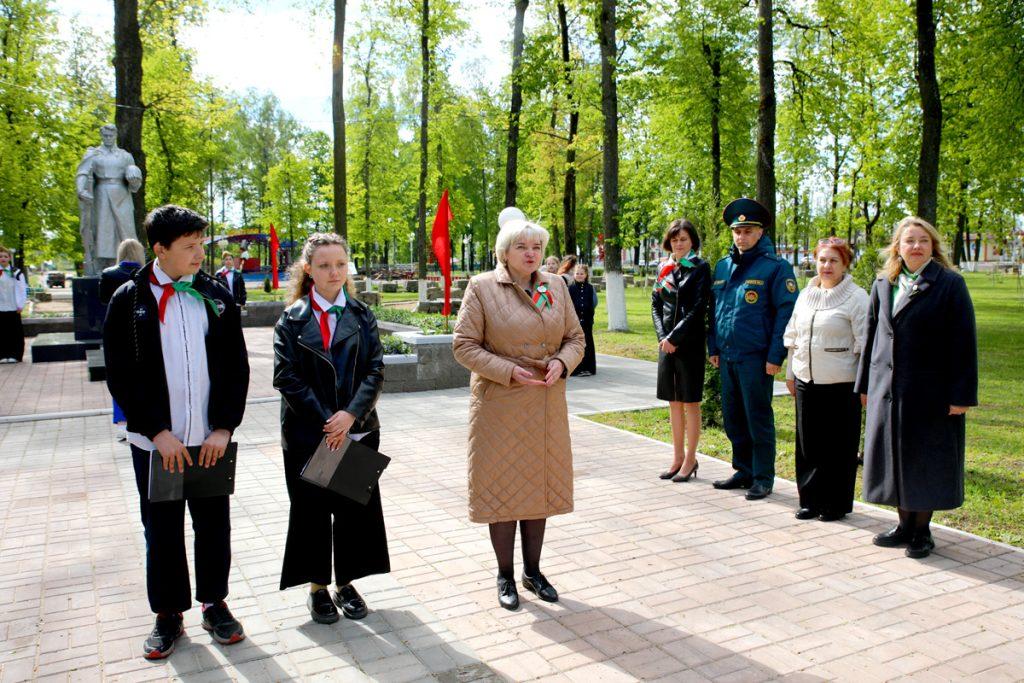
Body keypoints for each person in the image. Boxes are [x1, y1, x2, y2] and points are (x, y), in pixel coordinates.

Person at [103, 205, 250, 660]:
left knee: (213, 524)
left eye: (201, 244)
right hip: (159, 444)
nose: (199, 254)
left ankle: (215, 603)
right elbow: (121, 374)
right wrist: (156, 431)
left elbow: (235, 368)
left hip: (209, 441)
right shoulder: (129, 300)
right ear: (159, 249)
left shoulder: (216, 295)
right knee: (162, 528)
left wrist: (223, 427)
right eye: (189, 247)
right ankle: (168, 614)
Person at [453, 216, 585, 611]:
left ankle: (533, 570)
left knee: (538, 488)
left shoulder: (555, 285)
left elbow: (575, 338)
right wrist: (508, 370)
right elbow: (463, 346)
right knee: (502, 490)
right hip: (500, 405)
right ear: (504, 252)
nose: (531, 254)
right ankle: (505, 574)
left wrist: (564, 361)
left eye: (537, 248)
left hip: (544, 405)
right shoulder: (482, 288)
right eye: (521, 248)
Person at [273, 232, 389, 624]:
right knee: (312, 512)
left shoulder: (362, 315)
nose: (334, 271)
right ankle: (318, 588)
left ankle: (347, 583)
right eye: (324, 265)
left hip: (356, 430)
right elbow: (286, 377)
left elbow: (375, 370)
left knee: (354, 510)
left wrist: (350, 416)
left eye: (340, 264)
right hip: (310, 434)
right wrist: (327, 419)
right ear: (308, 270)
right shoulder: (291, 320)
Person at [856, 217, 977, 558]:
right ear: (898, 246)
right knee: (892, 458)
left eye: (923, 240)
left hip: (930, 392)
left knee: (924, 460)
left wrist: (962, 395)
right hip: (887, 389)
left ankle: (922, 531)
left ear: (933, 245)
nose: (916, 246)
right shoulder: (884, 283)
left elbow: (964, 343)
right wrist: (865, 384)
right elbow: (871, 337)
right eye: (909, 240)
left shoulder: (950, 284)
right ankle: (903, 525)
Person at [708, 198, 798, 500]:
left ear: (760, 232)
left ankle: (762, 477)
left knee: (757, 417)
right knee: (733, 417)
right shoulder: (723, 265)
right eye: (737, 231)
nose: (741, 236)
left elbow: (786, 314)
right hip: (728, 355)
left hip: (757, 358)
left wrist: (776, 356)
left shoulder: (776, 268)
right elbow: (715, 310)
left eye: (748, 231)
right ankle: (743, 470)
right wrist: (714, 346)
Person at [783, 237, 869, 521]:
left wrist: (864, 384)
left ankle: (835, 503)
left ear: (845, 264)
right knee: (808, 444)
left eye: (834, 260)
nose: (827, 265)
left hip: (842, 384)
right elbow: (794, 335)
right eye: (822, 260)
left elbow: (866, 343)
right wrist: (791, 374)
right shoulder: (806, 294)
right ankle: (809, 499)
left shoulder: (857, 297)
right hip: (807, 379)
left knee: (839, 446)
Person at [651, 219, 711, 482]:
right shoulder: (663, 268)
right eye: (674, 239)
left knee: (690, 401)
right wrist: (664, 336)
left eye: (683, 239)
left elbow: (699, 307)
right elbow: (655, 305)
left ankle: (690, 459)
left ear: (692, 241)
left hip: (690, 344)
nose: (678, 243)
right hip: (667, 345)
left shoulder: (699, 267)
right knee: (673, 402)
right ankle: (676, 458)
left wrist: (676, 337)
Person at [100, 238, 146, 441]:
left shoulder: (109, 274)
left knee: (119, 377)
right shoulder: (146, 274)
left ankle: (121, 422)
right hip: (141, 331)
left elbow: (102, 299)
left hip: (117, 332)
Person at [567, 264, 598, 376]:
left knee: (588, 343)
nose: (579, 275)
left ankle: (588, 368)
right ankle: (576, 369)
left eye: (582, 274)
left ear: (586, 275)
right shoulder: (570, 288)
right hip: (574, 321)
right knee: (576, 344)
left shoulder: (590, 288)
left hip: (587, 320)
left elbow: (594, 302)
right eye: (577, 273)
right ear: (574, 275)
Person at [0, 245, 28, 363]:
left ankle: (15, 355)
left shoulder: (16, 272)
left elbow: (22, 289)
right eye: (0, 257)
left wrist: (20, 305)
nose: (3, 259)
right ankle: (2, 355)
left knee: (14, 332)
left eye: (5, 256)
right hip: (1, 306)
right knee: (2, 332)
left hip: (13, 307)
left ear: (9, 258)